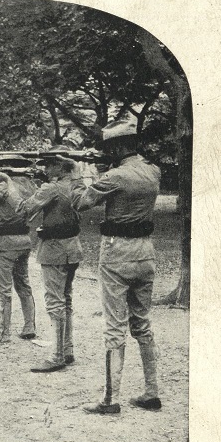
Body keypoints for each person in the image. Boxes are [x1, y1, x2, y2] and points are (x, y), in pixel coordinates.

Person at [77, 118, 162, 414]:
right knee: (142, 323)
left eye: (111, 147)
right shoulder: (153, 171)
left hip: (117, 251)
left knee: (114, 327)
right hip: (146, 250)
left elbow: (81, 204)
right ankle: (151, 393)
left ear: (119, 147)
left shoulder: (114, 176)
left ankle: (110, 400)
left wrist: (82, 175)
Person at [19, 154, 85, 372]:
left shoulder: (52, 188)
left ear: (59, 166)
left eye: (49, 164)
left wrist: (14, 185)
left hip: (55, 248)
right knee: (66, 299)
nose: (45, 168)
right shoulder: (76, 185)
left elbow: (24, 209)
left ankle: (57, 355)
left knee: (55, 301)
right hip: (72, 247)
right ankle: (67, 349)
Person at [0, 165, 38, 344]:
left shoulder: (4, 186)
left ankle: (3, 333)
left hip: (5, 242)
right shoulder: (30, 185)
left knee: (3, 289)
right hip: (24, 239)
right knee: (23, 285)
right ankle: (29, 326)